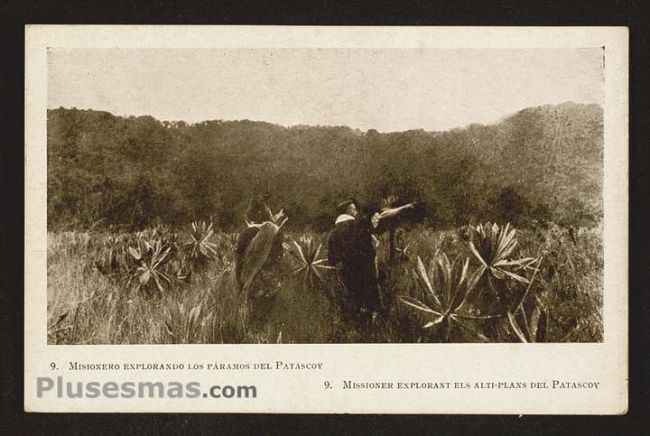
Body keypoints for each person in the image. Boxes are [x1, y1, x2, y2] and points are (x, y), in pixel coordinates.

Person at [328, 198, 416, 328]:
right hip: (365, 270)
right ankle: (373, 326)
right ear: (347, 211)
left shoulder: (333, 233)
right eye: (353, 209)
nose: (356, 211)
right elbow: (381, 216)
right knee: (371, 300)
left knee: (355, 300)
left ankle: (358, 326)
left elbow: (332, 258)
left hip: (347, 273)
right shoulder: (356, 225)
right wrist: (404, 207)